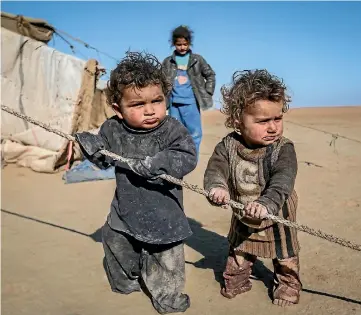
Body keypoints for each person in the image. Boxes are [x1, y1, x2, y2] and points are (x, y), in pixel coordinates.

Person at [75, 51, 197, 314]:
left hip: (165, 216)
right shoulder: (112, 129)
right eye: (138, 105)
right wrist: (91, 147)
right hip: (124, 212)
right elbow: (103, 159)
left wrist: (159, 163)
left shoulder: (173, 130)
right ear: (118, 109)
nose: (150, 110)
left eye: (157, 100)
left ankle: (168, 297)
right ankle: (127, 282)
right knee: (116, 245)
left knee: (167, 263)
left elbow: (187, 157)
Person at [203, 70, 302, 307]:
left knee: (285, 256)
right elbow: (215, 170)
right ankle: (238, 279)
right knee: (239, 251)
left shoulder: (283, 149)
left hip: (278, 215)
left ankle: (287, 285)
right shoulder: (228, 146)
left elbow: (283, 180)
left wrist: (267, 204)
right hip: (243, 214)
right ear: (238, 121)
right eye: (262, 121)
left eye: (277, 119)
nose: (272, 128)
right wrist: (217, 188)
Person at [162, 25, 216, 156]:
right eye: (179, 44)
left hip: (191, 102)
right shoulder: (167, 62)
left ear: (189, 43)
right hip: (174, 104)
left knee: (195, 133)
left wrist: (207, 92)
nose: (182, 47)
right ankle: (178, 158)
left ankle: (192, 157)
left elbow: (210, 75)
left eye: (185, 44)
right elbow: (160, 82)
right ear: (174, 44)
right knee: (175, 133)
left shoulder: (197, 60)